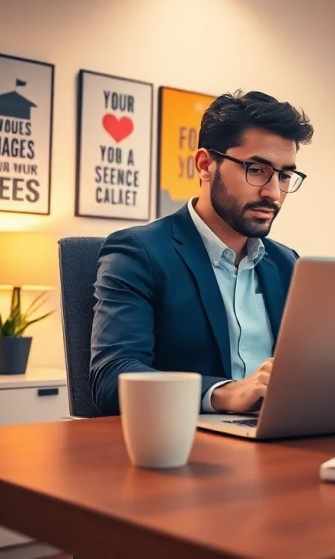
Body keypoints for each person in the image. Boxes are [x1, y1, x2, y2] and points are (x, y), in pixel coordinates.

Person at [89, 90, 314, 416]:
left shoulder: (287, 263)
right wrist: (226, 393)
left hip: (279, 438)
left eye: (284, 175)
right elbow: (112, 378)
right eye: (256, 169)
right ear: (206, 164)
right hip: (188, 446)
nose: (273, 192)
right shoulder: (138, 253)